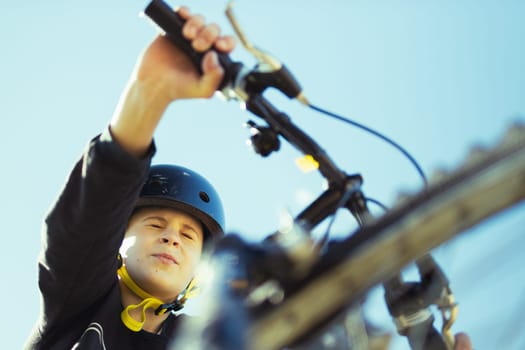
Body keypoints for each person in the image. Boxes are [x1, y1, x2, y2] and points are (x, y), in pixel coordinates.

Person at [24, 4, 473, 350]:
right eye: (156, 225)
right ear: (117, 243)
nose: (173, 239)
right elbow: (86, 222)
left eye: (187, 236)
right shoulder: (79, 299)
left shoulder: (210, 333)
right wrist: (152, 90)